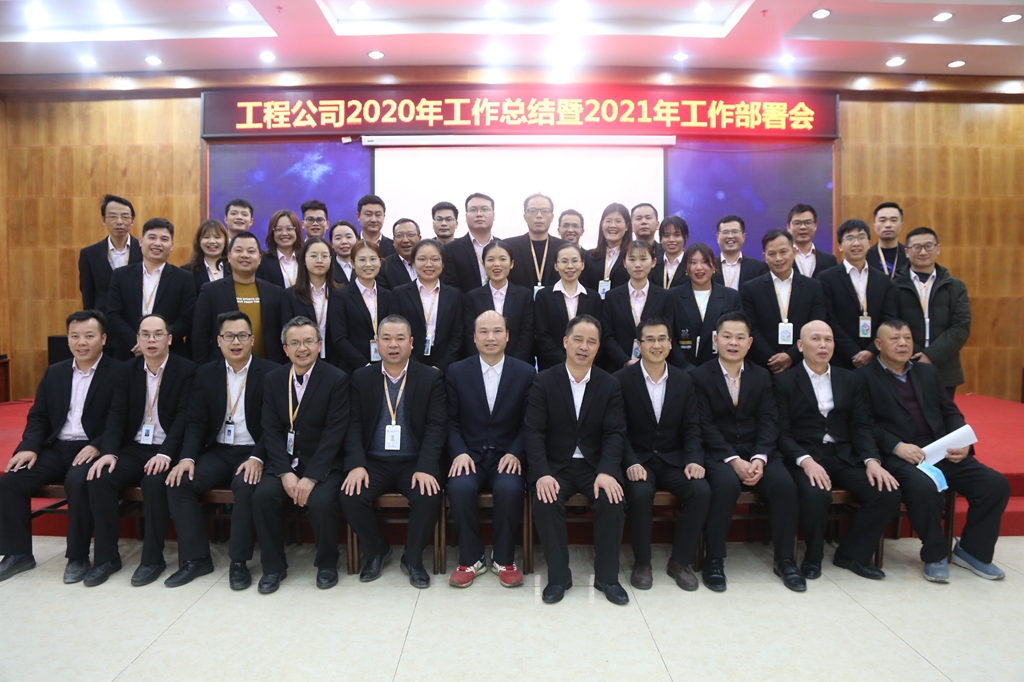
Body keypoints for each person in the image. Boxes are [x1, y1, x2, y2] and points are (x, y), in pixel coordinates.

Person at [859, 320, 1009, 582]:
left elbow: (950, 412)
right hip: (899, 456)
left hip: (939, 451)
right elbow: (863, 423)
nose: (903, 343)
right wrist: (897, 446)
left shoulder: (927, 372)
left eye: (907, 338)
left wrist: (962, 441)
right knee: (924, 489)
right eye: (895, 339)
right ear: (879, 344)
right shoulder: (863, 378)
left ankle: (972, 552)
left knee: (994, 484)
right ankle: (935, 554)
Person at [774, 320, 902, 581]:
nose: (823, 345)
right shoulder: (784, 382)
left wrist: (872, 460)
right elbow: (781, 433)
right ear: (800, 345)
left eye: (828, 340)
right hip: (805, 456)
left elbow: (860, 425)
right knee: (816, 494)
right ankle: (813, 557)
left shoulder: (850, 379)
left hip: (843, 454)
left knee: (887, 492)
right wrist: (805, 460)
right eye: (815, 339)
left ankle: (851, 554)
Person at [0, 311, 120, 584]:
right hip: (56, 447)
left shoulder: (118, 372)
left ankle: (77, 556)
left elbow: (121, 419)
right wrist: (29, 447)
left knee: (77, 482)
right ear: (67, 340)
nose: (81, 342)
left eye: (89, 336)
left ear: (103, 338)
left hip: (90, 448)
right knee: (12, 480)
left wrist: (99, 445)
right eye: (75, 336)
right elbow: (38, 416)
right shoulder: (55, 372)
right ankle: (18, 554)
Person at [690, 312, 804, 592]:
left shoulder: (762, 375)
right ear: (715, 339)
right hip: (719, 453)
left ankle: (785, 560)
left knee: (784, 484)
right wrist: (733, 460)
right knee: (725, 485)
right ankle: (714, 560)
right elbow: (703, 425)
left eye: (740, 337)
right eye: (727, 336)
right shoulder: (699, 376)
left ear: (750, 342)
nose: (733, 343)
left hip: (757, 451)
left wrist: (759, 458)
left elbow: (769, 420)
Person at [164, 312, 275, 590]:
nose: (235, 342)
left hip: (252, 451)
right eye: (229, 336)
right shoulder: (205, 373)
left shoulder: (271, 373)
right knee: (179, 482)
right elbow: (196, 421)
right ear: (218, 340)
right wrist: (187, 458)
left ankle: (238, 562)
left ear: (252, 340)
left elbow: (275, 425)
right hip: (218, 450)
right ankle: (197, 559)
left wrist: (258, 457)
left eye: (242, 336)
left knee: (246, 486)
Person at [84, 314, 196, 587]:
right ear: (137, 340)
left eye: (158, 334)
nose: (151, 340)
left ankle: (152, 559)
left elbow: (185, 419)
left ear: (170, 339)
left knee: (155, 482)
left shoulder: (187, 370)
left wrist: (166, 454)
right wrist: (109, 452)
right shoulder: (127, 370)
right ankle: (107, 558)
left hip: (169, 449)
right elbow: (117, 415)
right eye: (145, 334)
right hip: (135, 447)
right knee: (101, 477)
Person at [525, 314, 628, 605]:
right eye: (578, 340)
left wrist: (608, 471)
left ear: (598, 347)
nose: (584, 347)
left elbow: (615, 432)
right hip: (556, 465)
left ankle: (607, 577)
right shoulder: (544, 380)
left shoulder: (609, 384)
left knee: (612, 499)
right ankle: (559, 577)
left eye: (591, 342)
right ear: (565, 342)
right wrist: (542, 473)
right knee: (545, 500)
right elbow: (533, 431)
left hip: (595, 466)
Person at [341, 315, 446, 589]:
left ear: (411, 343)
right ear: (377, 343)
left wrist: (426, 466)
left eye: (400, 338)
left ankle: (413, 559)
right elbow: (353, 424)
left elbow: (436, 426)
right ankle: (377, 550)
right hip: (373, 461)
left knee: (428, 495)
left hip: (414, 462)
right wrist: (356, 464)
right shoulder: (362, 377)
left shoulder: (430, 377)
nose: (393, 345)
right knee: (350, 494)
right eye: (386, 338)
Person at [251, 317, 350, 593]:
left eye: (308, 341)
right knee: (263, 496)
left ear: (319, 345)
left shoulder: (337, 379)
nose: (302, 348)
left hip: (323, 464)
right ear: (285, 349)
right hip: (285, 462)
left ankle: (327, 563)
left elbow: (334, 434)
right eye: (294, 343)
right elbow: (271, 430)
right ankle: (273, 567)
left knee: (321, 502)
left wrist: (311, 477)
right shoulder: (274, 379)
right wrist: (284, 472)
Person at [616, 317, 710, 591]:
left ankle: (680, 561)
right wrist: (630, 462)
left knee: (700, 490)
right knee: (639, 493)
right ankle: (642, 562)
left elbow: (692, 427)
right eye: (649, 340)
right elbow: (617, 430)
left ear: (670, 343)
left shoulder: (684, 380)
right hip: (638, 460)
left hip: (673, 458)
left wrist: (694, 459)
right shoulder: (620, 380)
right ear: (639, 345)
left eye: (662, 339)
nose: (656, 345)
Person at [445, 311, 535, 588]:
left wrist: (516, 452)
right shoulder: (457, 371)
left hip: (507, 456)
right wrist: (459, 452)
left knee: (509, 489)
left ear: (507, 336)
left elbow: (530, 422)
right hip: (469, 455)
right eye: (483, 331)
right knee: (459, 488)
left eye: (497, 331)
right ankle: (471, 558)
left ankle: (503, 558)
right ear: (474, 337)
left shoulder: (525, 372)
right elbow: (449, 420)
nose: (490, 337)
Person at [893, 227, 971, 397]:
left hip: (945, 367)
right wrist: (915, 355)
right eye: (916, 247)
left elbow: (961, 327)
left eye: (928, 246)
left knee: (942, 413)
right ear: (907, 252)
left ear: (938, 249)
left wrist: (930, 355)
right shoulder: (893, 286)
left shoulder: (955, 286)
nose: (923, 252)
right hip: (905, 365)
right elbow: (891, 324)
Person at [106, 217, 195, 361]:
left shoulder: (184, 278)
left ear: (172, 245)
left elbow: (186, 318)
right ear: (141, 241)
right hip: (129, 353)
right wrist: (137, 342)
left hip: (170, 354)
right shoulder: (121, 275)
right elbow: (113, 314)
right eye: (152, 237)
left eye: (164, 239)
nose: (157, 243)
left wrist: (160, 342)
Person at [192, 231, 286, 365]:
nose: (245, 255)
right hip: (223, 370)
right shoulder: (211, 291)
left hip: (267, 369)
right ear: (229, 257)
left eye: (251, 251)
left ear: (259, 258)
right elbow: (200, 337)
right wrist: (204, 369)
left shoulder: (275, 293)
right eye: (238, 250)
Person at [740, 229, 827, 373]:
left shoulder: (813, 287)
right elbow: (750, 328)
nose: (778, 258)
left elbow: (816, 323)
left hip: (802, 363)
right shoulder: (751, 288)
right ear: (764, 256)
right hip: (763, 366)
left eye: (783, 252)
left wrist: (792, 355)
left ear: (794, 252)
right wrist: (771, 358)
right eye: (772, 254)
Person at [818, 219, 898, 370]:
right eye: (850, 238)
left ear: (869, 243)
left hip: (876, 358)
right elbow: (828, 319)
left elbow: (888, 318)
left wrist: (871, 350)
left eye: (861, 237)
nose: (856, 243)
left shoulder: (883, 280)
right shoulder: (826, 278)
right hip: (839, 359)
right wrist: (853, 353)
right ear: (840, 246)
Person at [78, 195, 143, 353]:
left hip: (137, 328)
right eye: (113, 216)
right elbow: (88, 295)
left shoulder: (144, 250)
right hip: (106, 329)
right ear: (103, 219)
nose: (119, 221)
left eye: (125, 216)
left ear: (132, 220)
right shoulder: (89, 254)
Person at [600, 241, 673, 371]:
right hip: (619, 368)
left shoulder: (664, 296)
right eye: (632, 259)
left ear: (653, 262)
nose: (637, 264)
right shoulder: (612, 296)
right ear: (624, 263)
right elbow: (607, 336)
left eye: (643, 259)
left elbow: (668, 333)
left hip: (655, 365)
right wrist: (626, 361)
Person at [329, 240, 399, 375]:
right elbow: (339, 338)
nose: (368, 264)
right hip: (352, 368)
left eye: (373, 259)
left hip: (385, 367)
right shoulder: (341, 296)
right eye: (362, 260)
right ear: (353, 263)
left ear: (380, 261)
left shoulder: (389, 296)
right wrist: (364, 365)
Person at [394, 240, 463, 373]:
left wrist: (441, 366)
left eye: (435, 259)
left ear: (443, 263)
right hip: (408, 364)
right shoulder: (399, 294)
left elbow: (457, 335)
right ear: (413, 262)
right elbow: (397, 332)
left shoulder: (454, 295)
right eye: (422, 259)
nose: (428, 264)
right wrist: (413, 363)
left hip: (445, 366)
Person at [669, 242, 742, 369]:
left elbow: (738, 334)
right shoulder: (672, 296)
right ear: (686, 267)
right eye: (693, 262)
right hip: (682, 370)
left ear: (713, 265)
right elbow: (668, 336)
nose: (699, 268)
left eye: (704, 262)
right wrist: (685, 368)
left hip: (720, 369)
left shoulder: (731, 296)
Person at [462, 241, 535, 363]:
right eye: (490, 259)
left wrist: (513, 364)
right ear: (483, 264)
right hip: (482, 364)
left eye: (502, 259)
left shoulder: (524, 295)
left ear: (511, 264)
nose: (496, 264)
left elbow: (527, 333)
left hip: (518, 364)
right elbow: (470, 335)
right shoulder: (472, 297)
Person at [534, 243, 601, 371]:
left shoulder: (593, 297)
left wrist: (581, 360)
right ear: (556, 266)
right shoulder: (544, 296)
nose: (570, 266)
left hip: (585, 365)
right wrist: (565, 362)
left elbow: (598, 333)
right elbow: (542, 335)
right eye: (564, 261)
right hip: (551, 366)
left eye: (575, 261)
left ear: (582, 264)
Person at [281, 237, 340, 366]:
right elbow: (288, 333)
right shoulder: (290, 295)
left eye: (324, 256)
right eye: (313, 256)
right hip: (302, 359)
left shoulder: (341, 293)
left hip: (337, 361)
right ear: (303, 260)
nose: (319, 260)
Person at [506, 193, 566, 294]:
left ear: (552, 217)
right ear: (525, 216)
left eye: (545, 211)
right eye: (533, 210)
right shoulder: (509, 247)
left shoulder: (564, 248)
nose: (539, 215)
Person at [441, 193, 496, 293]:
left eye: (485, 209)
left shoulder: (504, 247)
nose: (479, 214)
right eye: (473, 210)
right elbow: (450, 287)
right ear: (466, 217)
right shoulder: (450, 250)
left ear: (493, 215)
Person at [582, 202, 632, 297]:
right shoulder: (589, 256)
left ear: (627, 226)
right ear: (602, 225)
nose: (612, 225)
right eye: (608, 221)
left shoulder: (632, 256)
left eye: (618, 221)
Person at [711, 215, 768, 291]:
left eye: (735, 231)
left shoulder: (759, 267)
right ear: (717, 238)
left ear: (744, 236)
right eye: (725, 232)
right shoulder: (709, 266)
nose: (730, 236)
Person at [256, 210, 304, 289]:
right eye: (278, 229)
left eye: (289, 229)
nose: (284, 233)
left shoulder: (305, 258)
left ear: (297, 231)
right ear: (272, 233)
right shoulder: (263, 261)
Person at [787, 203, 837, 278]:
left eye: (808, 223)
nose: (803, 227)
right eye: (797, 223)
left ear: (815, 226)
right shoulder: (780, 259)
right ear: (788, 227)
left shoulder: (829, 260)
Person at [183, 219, 230, 296]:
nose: (212, 241)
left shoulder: (234, 269)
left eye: (217, 237)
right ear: (199, 241)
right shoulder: (187, 272)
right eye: (206, 237)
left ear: (225, 241)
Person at [865, 202, 910, 277]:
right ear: (875, 227)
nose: (888, 225)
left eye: (893, 220)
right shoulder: (865, 256)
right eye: (883, 220)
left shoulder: (910, 255)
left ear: (901, 226)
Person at [380, 219, 421, 290]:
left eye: (410, 235)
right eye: (399, 235)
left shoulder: (430, 262)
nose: (405, 240)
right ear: (394, 240)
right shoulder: (384, 266)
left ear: (419, 238)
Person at [650, 216, 688, 290]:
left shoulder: (691, 263)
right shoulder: (653, 264)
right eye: (666, 235)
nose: (671, 240)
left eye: (677, 235)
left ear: (685, 237)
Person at [329, 220, 359, 285]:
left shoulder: (365, 264)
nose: (344, 242)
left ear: (357, 240)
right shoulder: (328, 266)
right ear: (332, 244)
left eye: (349, 237)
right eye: (338, 238)